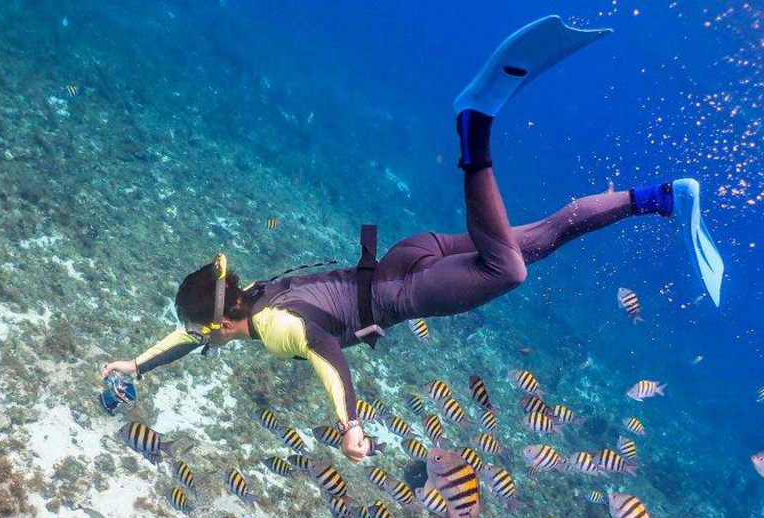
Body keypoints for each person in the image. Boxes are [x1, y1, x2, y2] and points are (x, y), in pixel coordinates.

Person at [102, 16, 724, 464]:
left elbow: (328, 358)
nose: (206, 338)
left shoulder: (274, 327)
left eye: (207, 334)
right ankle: (662, 198)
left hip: (409, 291)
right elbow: (190, 334)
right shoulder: (249, 297)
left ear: (221, 324)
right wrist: (137, 363)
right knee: (540, 236)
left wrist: (347, 425)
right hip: (403, 254)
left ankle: (473, 126)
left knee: (510, 270)